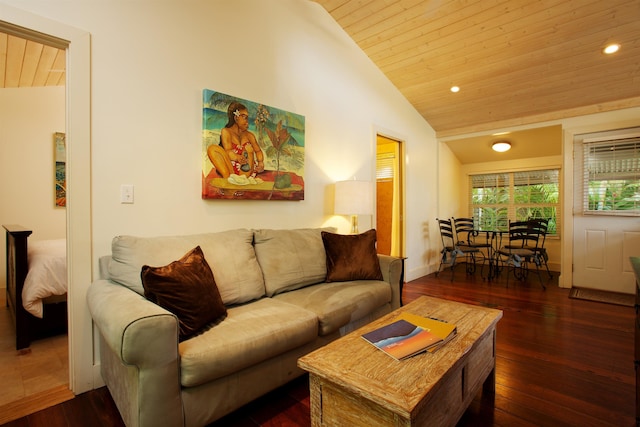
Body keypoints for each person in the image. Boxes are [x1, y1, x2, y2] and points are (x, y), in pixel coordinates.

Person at [207, 102, 264, 179]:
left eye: (247, 117)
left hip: (246, 169)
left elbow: (258, 151)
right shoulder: (226, 131)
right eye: (244, 117)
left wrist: (260, 163)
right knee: (212, 149)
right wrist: (237, 157)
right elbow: (228, 151)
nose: (247, 121)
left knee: (248, 151)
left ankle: (239, 179)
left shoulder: (250, 135)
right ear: (236, 118)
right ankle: (227, 177)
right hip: (231, 168)